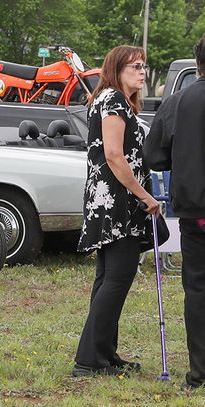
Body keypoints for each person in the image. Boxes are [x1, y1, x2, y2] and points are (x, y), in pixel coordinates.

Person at [72, 45, 159, 377]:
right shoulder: (112, 100)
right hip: (117, 204)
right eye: (135, 66)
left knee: (108, 278)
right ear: (117, 68)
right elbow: (113, 155)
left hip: (112, 201)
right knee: (117, 278)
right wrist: (143, 196)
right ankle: (89, 360)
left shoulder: (117, 102)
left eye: (144, 66)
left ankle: (103, 354)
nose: (142, 72)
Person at [144, 36, 205, 389]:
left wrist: (181, 159)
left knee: (198, 289)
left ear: (197, 63)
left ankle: (200, 373)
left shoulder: (177, 102)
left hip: (195, 211)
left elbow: (154, 157)